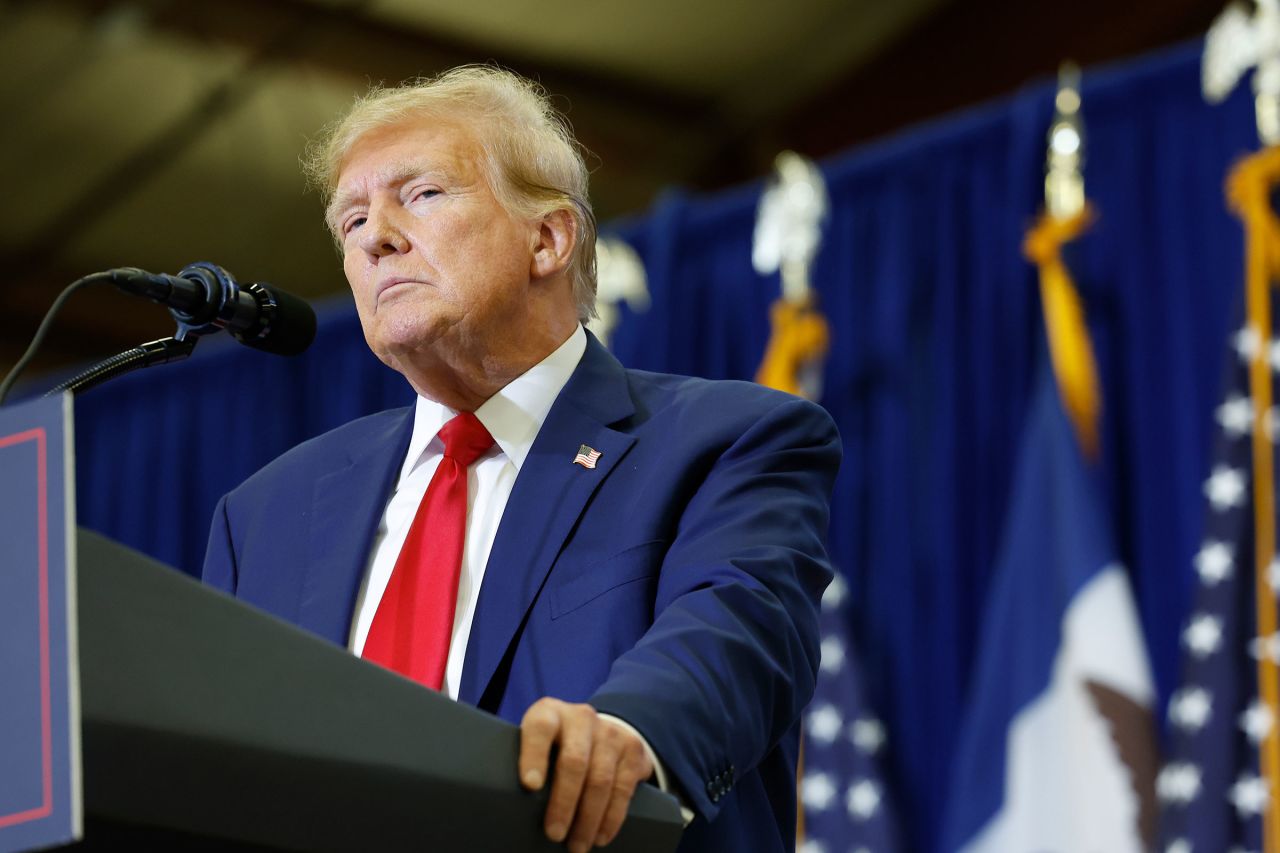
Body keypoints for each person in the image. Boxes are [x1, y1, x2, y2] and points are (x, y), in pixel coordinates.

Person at [202, 65, 840, 853]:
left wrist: (627, 732)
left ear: (548, 238)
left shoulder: (724, 441)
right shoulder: (265, 516)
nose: (376, 237)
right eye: (351, 220)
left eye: (423, 194)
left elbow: (739, 627)